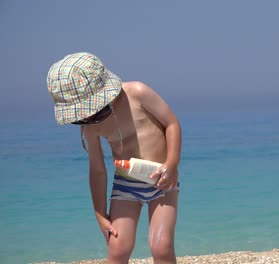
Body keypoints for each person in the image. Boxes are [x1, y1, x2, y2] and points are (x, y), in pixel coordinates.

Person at [47, 52, 182, 264]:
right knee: (117, 248)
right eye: (83, 116)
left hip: (162, 179)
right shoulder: (90, 127)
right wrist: (99, 213)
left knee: (161, 246)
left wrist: (172, 164)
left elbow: (171, 123)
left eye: (95, 112)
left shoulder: (137, 93)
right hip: (126, 184)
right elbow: (98, 170)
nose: (89, 118)